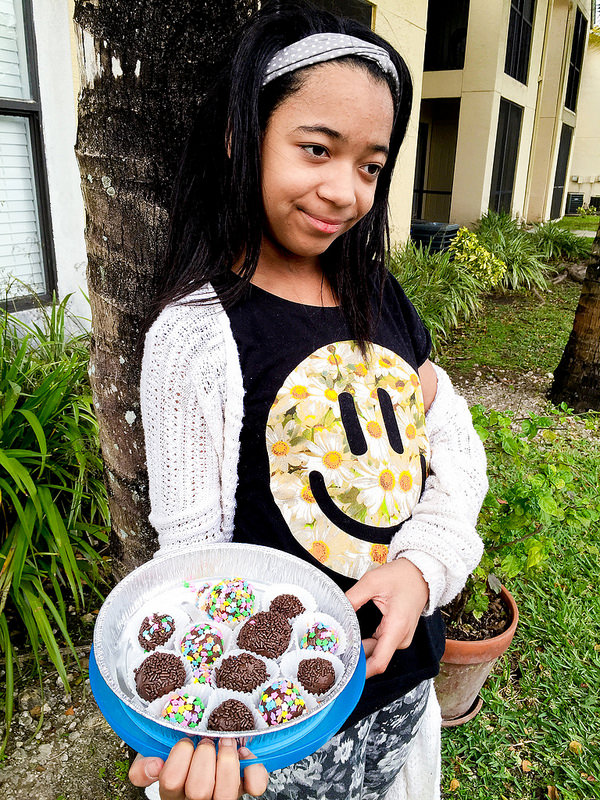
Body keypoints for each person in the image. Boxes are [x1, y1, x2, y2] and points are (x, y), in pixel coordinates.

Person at [129, 1, 488, 798]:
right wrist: (202, 722)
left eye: (370, 166)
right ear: (242, 138)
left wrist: (423, 567)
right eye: (316, 149)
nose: (344, 191)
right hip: (279, 727)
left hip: (401, 690)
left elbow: (454, 446)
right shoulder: (196, 335)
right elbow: (192, 564)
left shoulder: (378, 295)